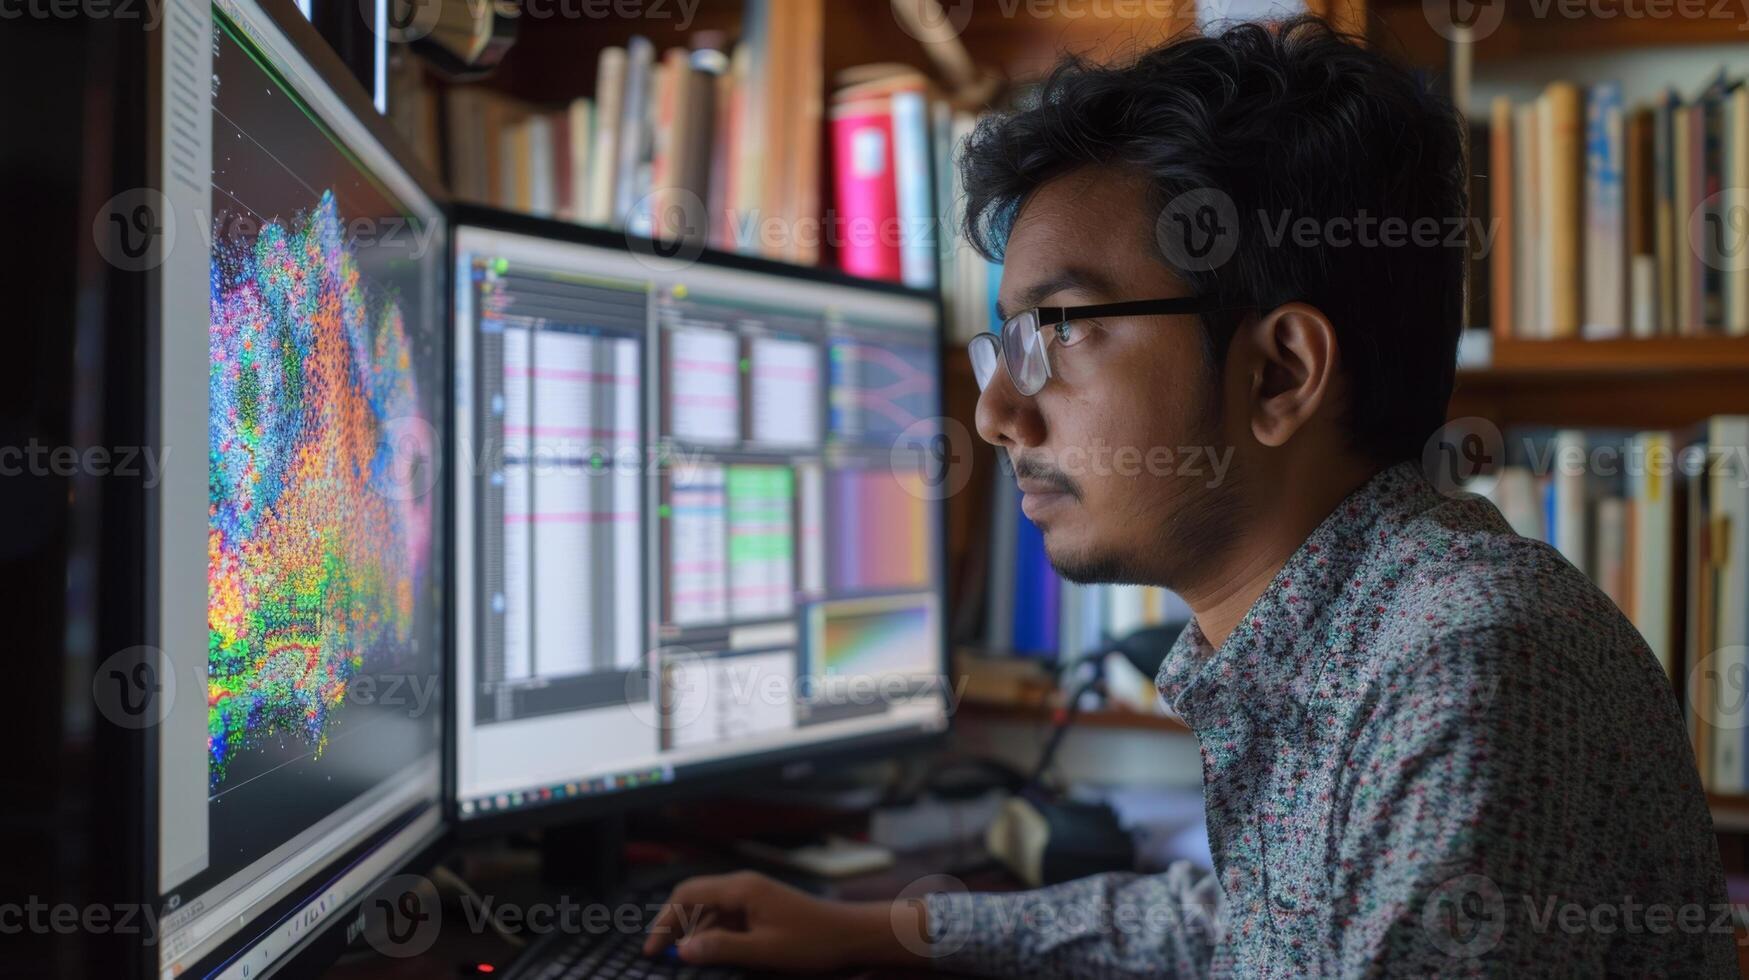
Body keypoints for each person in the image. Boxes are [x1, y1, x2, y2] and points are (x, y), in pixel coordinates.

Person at [644, 16, 1733, 976]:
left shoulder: (1465, 666)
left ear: (1280, 373)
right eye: (1002, 347)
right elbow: (1238, 922)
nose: (998, 416)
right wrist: (879, 930)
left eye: (1059, 332)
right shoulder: (1363, 624)